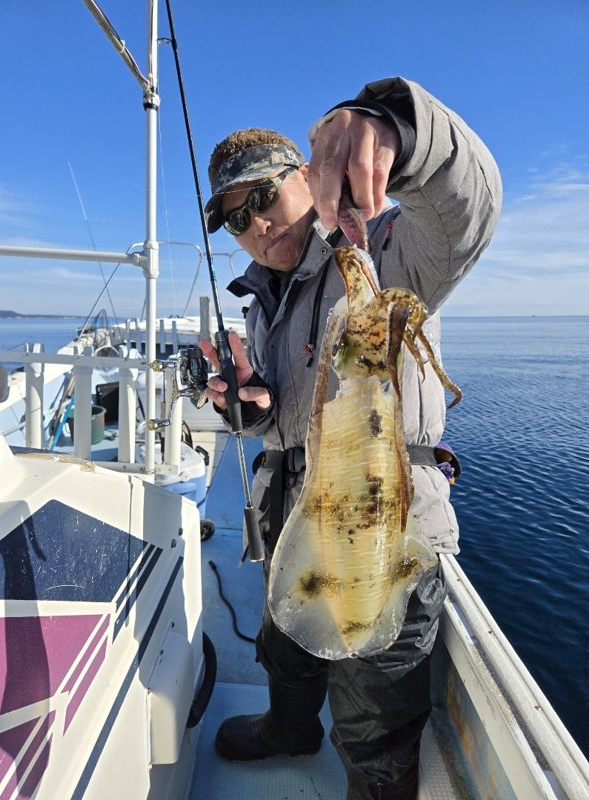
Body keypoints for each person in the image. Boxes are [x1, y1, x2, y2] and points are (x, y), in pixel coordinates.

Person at [200, 77, 502, 800]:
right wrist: (251, 409)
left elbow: (467, 213)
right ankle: (288, 728)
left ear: (307, 178)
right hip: (296, 519)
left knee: (376, 715)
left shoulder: (386, 250)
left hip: (381, 526)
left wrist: (400, 130)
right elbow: (282, 417)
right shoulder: (262, 307)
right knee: (287, 650)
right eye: (235, 219)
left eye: (264, 198)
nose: (256, 226)